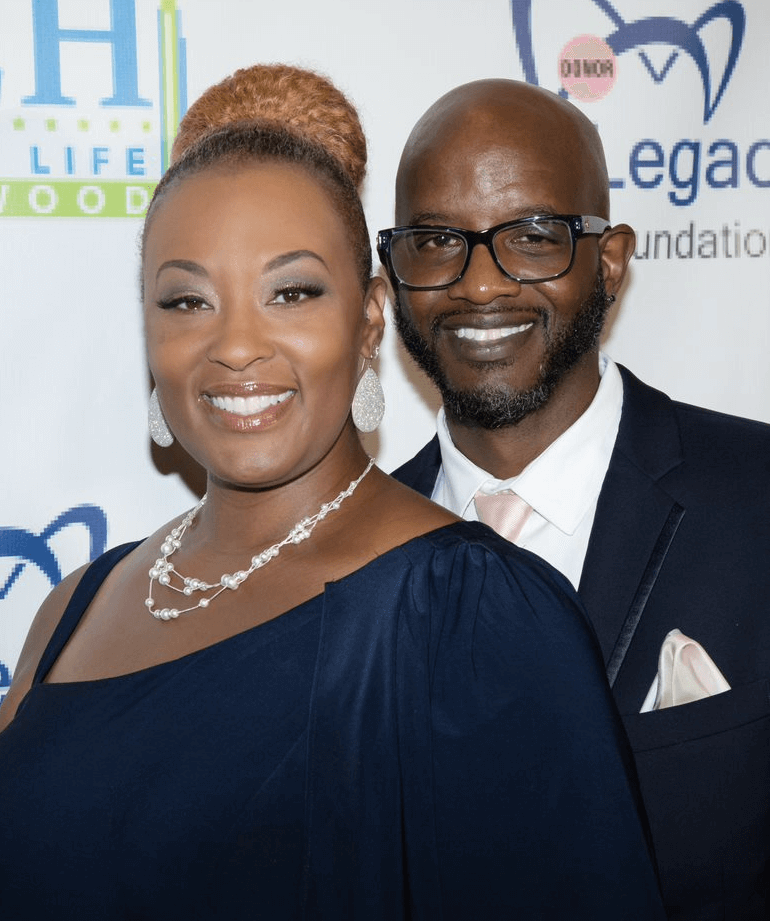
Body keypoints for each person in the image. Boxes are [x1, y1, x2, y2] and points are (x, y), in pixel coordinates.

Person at [0, 66, 663, 919]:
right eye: (187, 299)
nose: (236, 345)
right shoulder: (70, 612)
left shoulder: (469, 614)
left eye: (293, 291)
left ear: (370, 317)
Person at [381, 76, 770, 921]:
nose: (479, 285)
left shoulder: (758, 501)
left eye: (530, 235)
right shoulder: (340, 557)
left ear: (613, 258)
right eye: (435, 240)